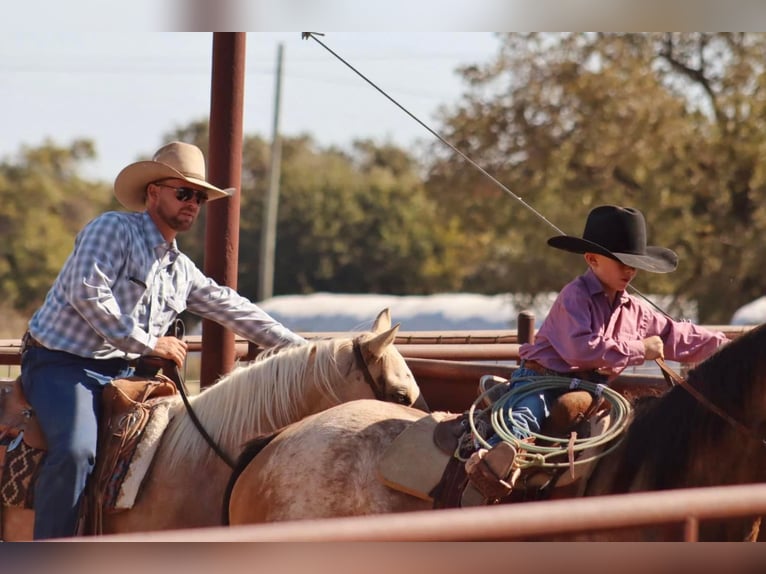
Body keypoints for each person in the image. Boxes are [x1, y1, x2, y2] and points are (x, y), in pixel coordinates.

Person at [20, 141, 307, 539]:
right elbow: (87, 292)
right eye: (183, 192)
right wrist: (147, 344)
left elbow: (232, 308)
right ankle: (47, 556)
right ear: (153, 192)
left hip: (124, 373)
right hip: (62, 364)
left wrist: (305, 353)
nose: (192, 203)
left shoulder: (180, 269)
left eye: (199, 197)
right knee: (75, 451)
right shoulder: (112, 229)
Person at [486, 205, 729, 446]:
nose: (629, 269)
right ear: (592, 259)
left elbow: (678, 335)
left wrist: (733, 348)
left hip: (590, 393)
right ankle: (484, 464)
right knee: (522, 421)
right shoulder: (575, 296)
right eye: (621, 261)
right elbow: (581, 349)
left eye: (634, 263)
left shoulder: (636, 311)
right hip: (541, 383)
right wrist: (641, 349)